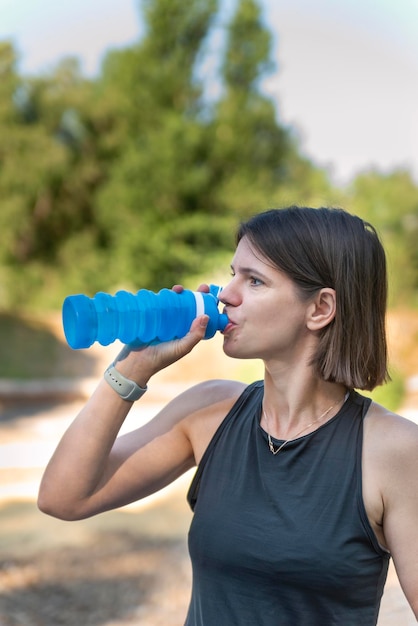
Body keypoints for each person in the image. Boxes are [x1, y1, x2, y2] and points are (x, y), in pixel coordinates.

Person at [38, 206, 418, 625]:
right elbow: (63, 498)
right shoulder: (209, 413)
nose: (226, 294)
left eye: (253, 281)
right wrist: (133, 368)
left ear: (320, 309)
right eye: (232, 273)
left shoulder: (391, 451)